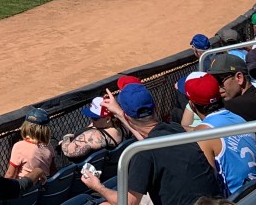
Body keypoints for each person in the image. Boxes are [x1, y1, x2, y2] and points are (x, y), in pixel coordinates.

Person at [80, 83, 222, 205]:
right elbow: (148, 141)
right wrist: (119, 114)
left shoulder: (143, 154)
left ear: (128, 116)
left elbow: (128, 202)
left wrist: (98, 187)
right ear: (154, 109)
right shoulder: (175, 128)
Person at [183, 73, 256, 199]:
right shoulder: (238, 118)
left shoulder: (202, 134)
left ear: (192, 105)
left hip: (239, 199)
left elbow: (208, 183)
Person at [59, 96, 124, 161]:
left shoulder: (93, 136)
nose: (91, 120)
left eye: (95, 118)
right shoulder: (124, 125)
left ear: (107, 119)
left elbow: (68, 151)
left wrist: (66, 137)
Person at [4, 107, 56, 180]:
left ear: (27, 127)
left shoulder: (19, 146)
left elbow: (10, 175)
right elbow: (53, 171)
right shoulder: (49, 146)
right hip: (44, 187)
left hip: (26, 189)